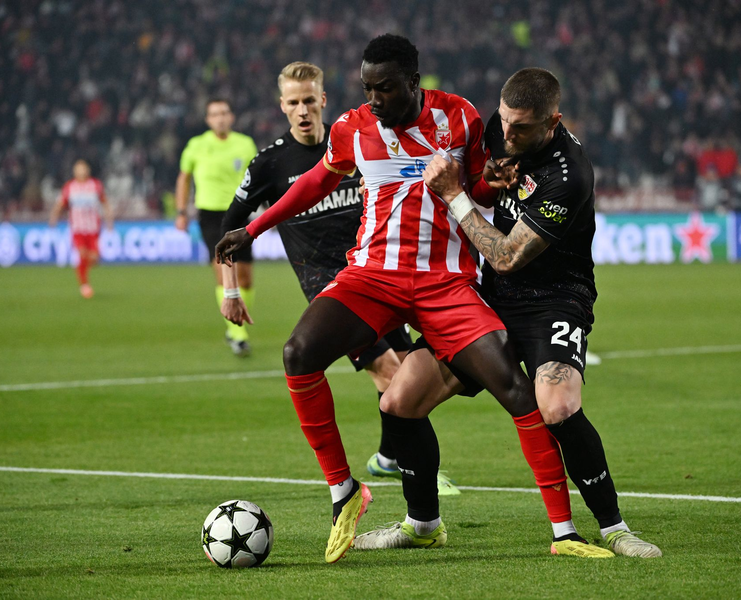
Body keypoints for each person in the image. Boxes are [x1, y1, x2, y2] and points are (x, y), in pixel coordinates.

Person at [217, 35, 575, 564]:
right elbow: (318, 180)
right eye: (367, 88)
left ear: (413, 82)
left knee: (514, 388)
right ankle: (344, 490)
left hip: (446, 282)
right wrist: (255, 228)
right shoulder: (352, 126)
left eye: (385, 88)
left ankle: (565, 534)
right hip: (373, 275)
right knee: (298, 354)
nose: (374, 98)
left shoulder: (459, 117)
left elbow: (475, 185)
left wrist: (493, 184)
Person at [355, 67, 661, 558]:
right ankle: (422, 524)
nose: (507, 134)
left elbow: (505, 255)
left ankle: (614, 527)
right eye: (504, 122)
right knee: (399, 400)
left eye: (522, 128)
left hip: (555, 298)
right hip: (489, 297)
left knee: (557, 404)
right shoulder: (498, 129)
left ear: (553, 122)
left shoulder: (569, 173)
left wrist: (455, 194)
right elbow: (477, 182)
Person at [219, 61, 457, 495]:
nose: (303, 109)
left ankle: (388, 456)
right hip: (328, 284)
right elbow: (231, 225)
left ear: (323, 100)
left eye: (310, 100)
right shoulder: (270, 163)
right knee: (388, 369)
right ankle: (417, 471)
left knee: (407, 371)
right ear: (283, 107)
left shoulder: (361, 137)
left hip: (378, 272)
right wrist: (230, 290)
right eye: (294, 103)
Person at [176, 99, 258, 356]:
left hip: (240, 213)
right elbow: (184, 178)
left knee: (244, 276)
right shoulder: (196, 146)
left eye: (224, 112)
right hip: (210, 215)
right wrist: (181, 211)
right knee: (223, 271)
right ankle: (237, 333)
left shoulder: (245, 144)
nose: (220, 118)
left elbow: (257, 177)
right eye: (215, 114)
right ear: (208, 120)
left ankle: (235, 325)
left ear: (231, 117)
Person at [49, 159, 114, 298]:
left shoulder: (95, 185)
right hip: (77, 228)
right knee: (82, 254)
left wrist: (109, 220)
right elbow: (60, 204)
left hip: (93, 229)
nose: (81, 171)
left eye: (83, 168)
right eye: (78, 169)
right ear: (74, 171)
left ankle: (83, 270)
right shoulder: (69, 187)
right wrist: (53, 217)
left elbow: (105, 203)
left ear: (88, 170)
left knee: (94, 259)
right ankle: (84, 285)